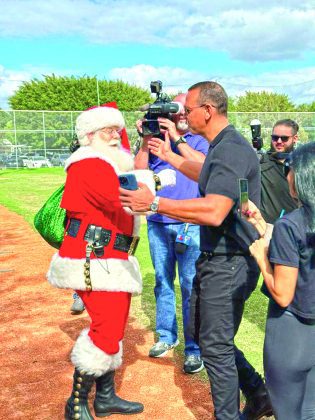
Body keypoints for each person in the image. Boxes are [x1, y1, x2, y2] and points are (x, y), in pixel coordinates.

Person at [119, 81, 272, 420]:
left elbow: (215, 209)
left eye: (188, 109)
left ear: (208, 110)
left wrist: (155, 202)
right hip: (215, 259)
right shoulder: (221, 146)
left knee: (215, 347)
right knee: (209, 338)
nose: (183, 115)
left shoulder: (231, 148)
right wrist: (169, 154)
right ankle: (260, 395)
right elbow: (206, 174)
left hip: (229, 261)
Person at [47, 106, 144, 419]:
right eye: (108, 130)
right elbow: (118, 197)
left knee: (114, 326)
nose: (116, 135)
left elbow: (125, 179)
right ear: (89, 135)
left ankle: (104, 398)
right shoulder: (88, 162)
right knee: (107, 327)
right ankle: (75, 403)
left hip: (110, 257)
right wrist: (154, 180)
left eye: (118, 129)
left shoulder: (106, 160)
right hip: (94, 258)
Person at [134, 93, 208, 374]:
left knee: (190, 286)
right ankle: (167, 337)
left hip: (190, 223)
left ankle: (193, 348)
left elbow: (203, 166)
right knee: (163, 282)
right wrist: (145, 140)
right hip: (159, 221)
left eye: (181, 110)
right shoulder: (156, 138)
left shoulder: (197, 138)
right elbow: (139, 170)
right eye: (175, 111)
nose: (179, 115)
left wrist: (176, 137)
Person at [245, 142, 315, 420]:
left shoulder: (292, 224)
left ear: (302, 177)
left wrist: (261, 257)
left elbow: (283, 294)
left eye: (290, 169)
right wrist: (263, 226)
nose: (287, 175)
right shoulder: (296, 226)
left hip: (291, 334)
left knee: (288, 413)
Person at [260, 119, 299, 223]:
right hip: (268, 229)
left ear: (295, 138)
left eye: (284, 138)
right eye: (275, 137)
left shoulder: (303, 164)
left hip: (297, 228)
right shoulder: (260, 163)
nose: (279, 141)